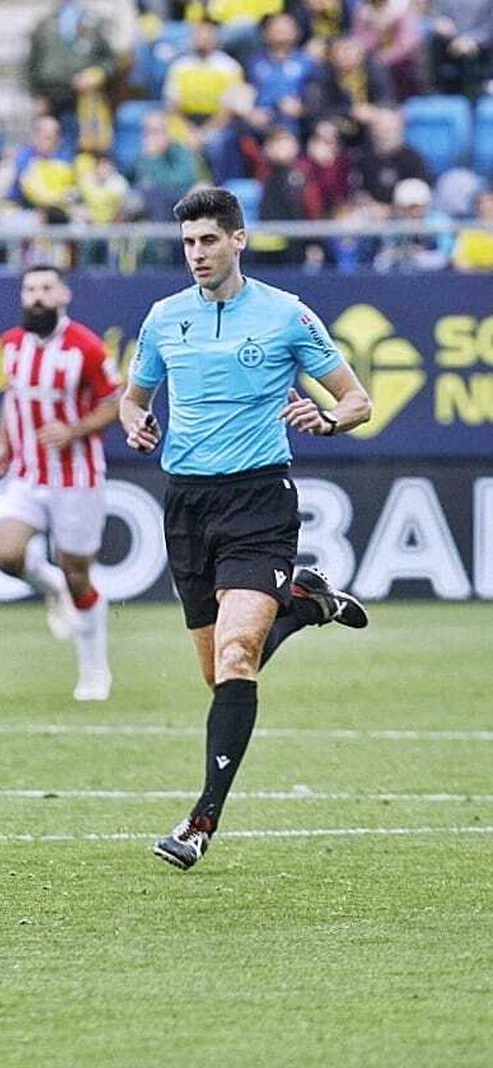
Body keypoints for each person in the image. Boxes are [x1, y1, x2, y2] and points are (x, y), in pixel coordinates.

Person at [121, 187, 374, 872]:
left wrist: (328, 419)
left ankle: (201, 820)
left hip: (259, 501)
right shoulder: (164, 318)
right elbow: (131, 399)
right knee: (221, 674)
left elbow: (357, 400)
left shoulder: (287, 315)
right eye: (188, 243)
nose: (197, 254)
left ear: (239, 240)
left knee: (237, 657)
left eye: (208, 240)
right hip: (187, 507)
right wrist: (135, 423)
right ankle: (305, 601)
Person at [0, 266, 120, 702]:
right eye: (30, 289)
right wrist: (2, 442)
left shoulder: (87, 347)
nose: (37, 296)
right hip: (26, 473)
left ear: (63, 295)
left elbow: (115, 402)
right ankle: (53, 586)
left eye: (46, 288)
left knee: (78, 573)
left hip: (76, 477)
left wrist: (73, 430)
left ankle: (94, 672)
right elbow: (13, 397)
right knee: (4, 553)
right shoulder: (10, 344)